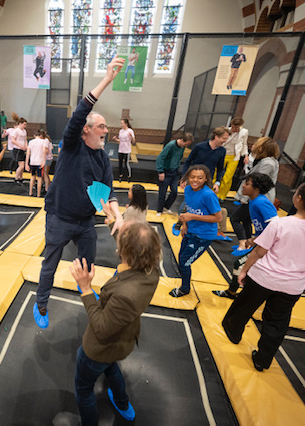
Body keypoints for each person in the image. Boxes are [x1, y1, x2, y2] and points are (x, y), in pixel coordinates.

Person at [34, 57, 126, 329]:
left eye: (107, 128)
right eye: (101, 127)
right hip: (60, 218)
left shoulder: (102, 159)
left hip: (86, 222)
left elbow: (109, 194)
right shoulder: (72, 145)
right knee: (49, 264)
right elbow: (79, 114)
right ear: (86, 130)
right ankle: (41, 302)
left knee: (87, 261)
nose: (106, 131)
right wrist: (107, 79)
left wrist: (117, 216)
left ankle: (84, 287)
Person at [221, 180, 305, 371]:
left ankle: (233, 334)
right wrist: (300, 271)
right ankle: (262, 360)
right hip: (292, 286)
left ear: (298, 198)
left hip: (262, 278)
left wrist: (244, 271)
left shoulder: (280, 224)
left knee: (242, 308)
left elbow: (258, 252)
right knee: (276, 322)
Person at [70, 222, 161, 425]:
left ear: (124, 251)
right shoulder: (151, 270)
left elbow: (101, 328)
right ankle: (122, 402)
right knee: (110, 367)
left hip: (98, 349)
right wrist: (113, 223)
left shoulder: (126, 295)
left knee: (83, 390)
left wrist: (85, 288)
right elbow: (136, 246)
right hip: (123, 340)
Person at [214, 173, 278, 299]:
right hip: (263, 242)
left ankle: (232, 292)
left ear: (257, 188)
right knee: (249, 267)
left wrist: (255, 239)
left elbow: (275, 226)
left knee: (240, 264)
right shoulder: (253, 202)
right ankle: (243, 293)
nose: (243, 186)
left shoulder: (261, 202)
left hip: (268, 245)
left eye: (247, 184)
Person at [170, 165, 222, 298]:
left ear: (205, 179)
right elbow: (189, 208)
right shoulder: (188, 189)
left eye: (200, 178)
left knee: (184, 262)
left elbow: (218, 217)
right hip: (190, 231)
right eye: (192, 177)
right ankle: (184, 283)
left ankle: (185, 288)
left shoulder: (208, 195)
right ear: (188, 177)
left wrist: (192, 217)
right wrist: (185, 224)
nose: (195, 180)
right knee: (181, 259)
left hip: (203, 236)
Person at [230, 137, 280, 251]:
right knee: (247, 220)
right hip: (256, 197)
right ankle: (248, 244)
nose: (253, 147)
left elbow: (257, 182)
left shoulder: (268, 163)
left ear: (262, 148)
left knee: (235, 218)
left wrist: (245, 198)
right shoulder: (268, 161)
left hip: (258, 197)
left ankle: (243, 243)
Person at [181, 126, 229, 194]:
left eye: (226, 139)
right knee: (190, 200)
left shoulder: (222, 151)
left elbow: (220, 168)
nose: (225, 141)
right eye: (224, 138)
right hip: (194, 179)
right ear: (216, 137)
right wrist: (184, 177)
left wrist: (217, 183)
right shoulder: (199, 147)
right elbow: (187, 162)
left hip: (207, 181)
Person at [155, 132, 193, 216]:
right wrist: (160, 171)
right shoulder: (171, 145)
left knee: (174, 192)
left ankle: (166, 206)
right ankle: (159, 210)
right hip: (165, 171)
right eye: (186, 144)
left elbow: (178, 158)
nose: (186, 146)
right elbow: (160, 158)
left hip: (174, 172)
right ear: (182, 140)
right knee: (162, 192)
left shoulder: (182, 147)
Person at [216, 118, 249, 201]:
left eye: (236, 128)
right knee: (216, 174)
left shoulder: (244, 132)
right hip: (223, 154)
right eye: (233, 127)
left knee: (227, 177)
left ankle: (221, 196)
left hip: (234, 157)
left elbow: (244, 144)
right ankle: (213, 193)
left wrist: (246, 155)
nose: (234, 129)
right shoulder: (226, 131)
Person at [3, 117, 28, 184]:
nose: (25, 126)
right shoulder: (16, 131)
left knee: (22, 166)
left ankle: (21, 177)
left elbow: (25, 139)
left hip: (22, 149)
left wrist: (26, 146)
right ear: (20, 124)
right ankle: (16, 178)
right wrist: (20, 146)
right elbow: (13, 140)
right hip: (17, 149)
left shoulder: (24, 131)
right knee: (21, 166)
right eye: (24, 124)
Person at [25, 130, 49, 197]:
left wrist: (26, 164)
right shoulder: (43, 142)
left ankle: (30, 192)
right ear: (41, 136)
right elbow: (44, 151)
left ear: (34, 135)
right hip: (39, 162)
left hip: (32, 162)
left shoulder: (31, 142)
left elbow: (28, 153)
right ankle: (38, 194)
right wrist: (44, 161)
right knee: (39, 178)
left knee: (32, 177)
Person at [40, 129, 53, 194]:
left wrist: (42, 151)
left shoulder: (45, 141)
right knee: (45, 173)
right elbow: (51, 147)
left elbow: (46, 150)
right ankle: (49, 186)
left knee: (45, 173)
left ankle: (47, 189)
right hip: (49, 158)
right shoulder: (47, 141)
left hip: (47, 158)